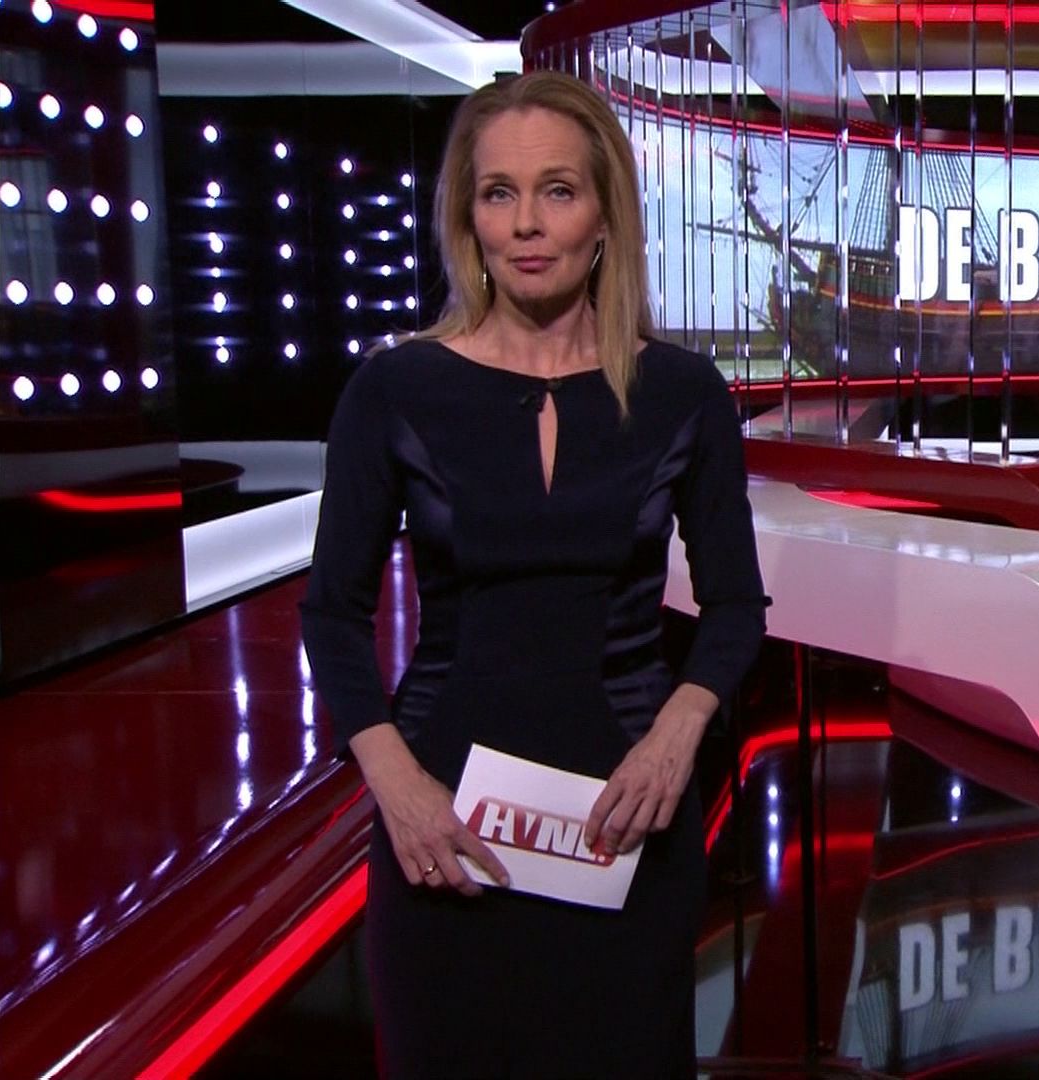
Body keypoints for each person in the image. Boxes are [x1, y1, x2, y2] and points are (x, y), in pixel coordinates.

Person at [299, 70, 769, 1077]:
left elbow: (735, 606)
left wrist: (676, 736)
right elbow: (332, 615)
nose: (525, 223)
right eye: (497, 193)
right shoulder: (394, 389)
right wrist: (397, 786)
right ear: (466, 217)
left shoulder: (682, 392)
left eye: (557, 190)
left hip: (625, 822)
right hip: (443, 825)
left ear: (605, 214)